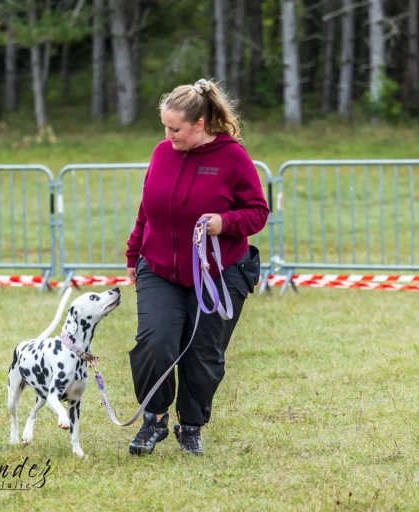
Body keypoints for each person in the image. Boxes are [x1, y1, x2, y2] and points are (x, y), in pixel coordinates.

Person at [124, 78, 269, 455]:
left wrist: (225, 223)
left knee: (203, 355)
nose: (167, 135)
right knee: (154, 343)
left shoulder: (233, 157)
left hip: (219, 273)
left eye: (175, 129)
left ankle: (191, 426)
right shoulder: (161, 153)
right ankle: (153, 420)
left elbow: (257, 213)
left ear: (199, 125)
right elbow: (147, 209)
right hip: (158, 268)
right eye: (164, 127)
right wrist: (132, 255)